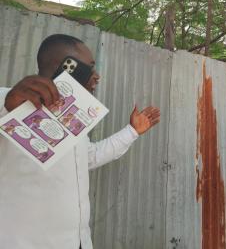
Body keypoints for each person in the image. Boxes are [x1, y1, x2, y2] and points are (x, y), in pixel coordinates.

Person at [0, 34, 160, 249]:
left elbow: (88, 157)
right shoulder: (7, 100)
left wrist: (132, 132)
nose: (97, 76)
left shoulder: (72, 118)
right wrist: (7, 108)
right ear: (65, 66)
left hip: (78, 242)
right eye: (89, 68)